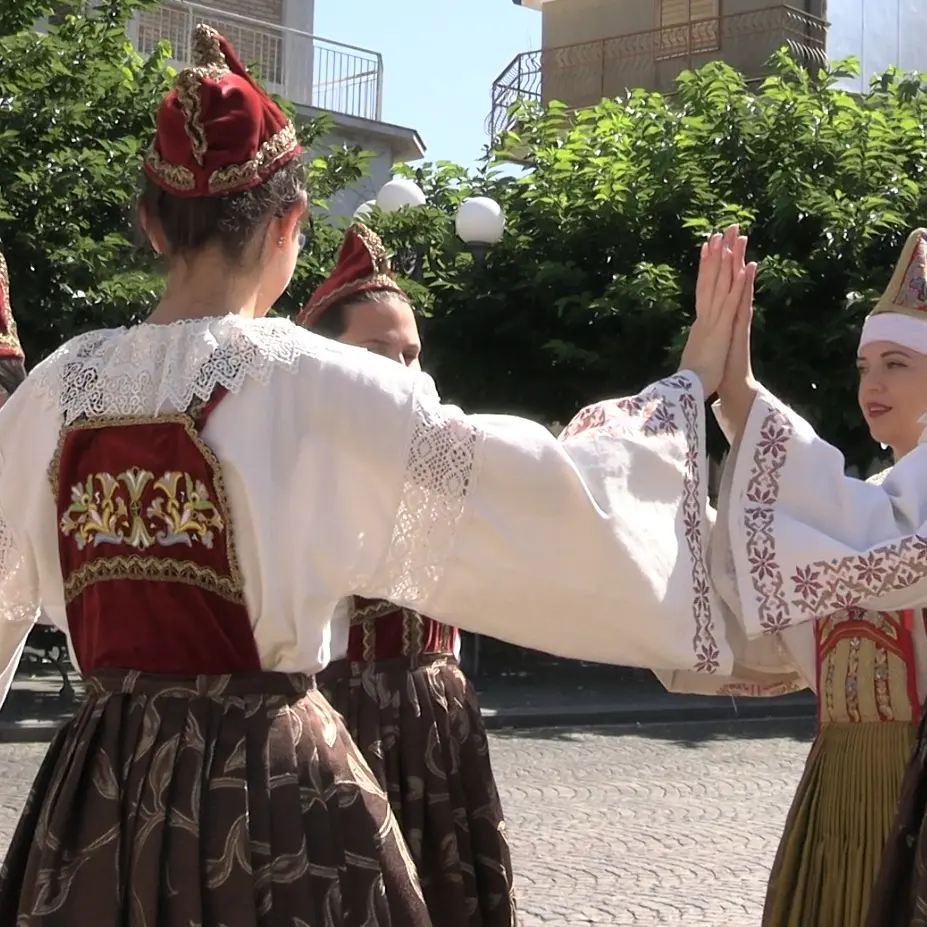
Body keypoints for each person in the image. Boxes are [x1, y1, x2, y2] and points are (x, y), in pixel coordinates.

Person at [0, 22, 759, 926]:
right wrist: (682, 390)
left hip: (103, 793)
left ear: (151, 220)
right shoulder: (313, 384)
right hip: (269, 793)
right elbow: (535, 492)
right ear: (289, 225)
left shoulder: (58, 387)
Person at [703, 226, 927, 927]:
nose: (872, 384)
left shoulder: (891, 503)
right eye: (864, 366)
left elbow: (861, 530)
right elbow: (828, 530)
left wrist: (738, 391)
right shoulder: (883, 491)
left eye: (895, 363)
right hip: (837, 778)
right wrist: (731, 385)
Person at [297, 224, 515, 927]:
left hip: (436, 712)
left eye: (411, 353)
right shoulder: (292, 463)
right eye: (377, 351)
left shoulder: (443, 456)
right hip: (340, 713)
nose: (402, 369)